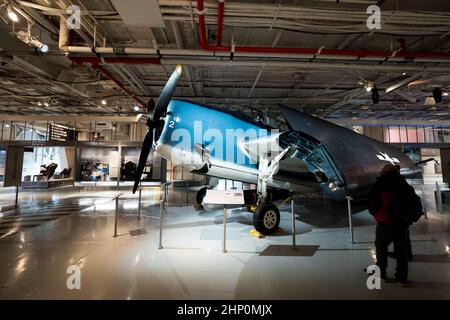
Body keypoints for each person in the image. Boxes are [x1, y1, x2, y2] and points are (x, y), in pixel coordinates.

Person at [367, 164, 412, 287]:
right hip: (401, 223)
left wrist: (377, 215)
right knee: (401, 250)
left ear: (384, 172)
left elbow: (371, 201)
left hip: (384, 222)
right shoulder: (404, 185)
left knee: (381, 248)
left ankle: (381, 275)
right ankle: (402, 278)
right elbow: (412, 202)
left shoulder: (379, 184)